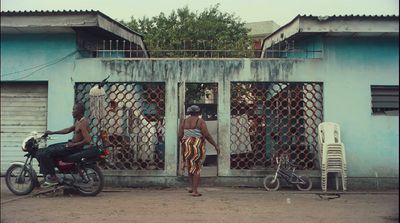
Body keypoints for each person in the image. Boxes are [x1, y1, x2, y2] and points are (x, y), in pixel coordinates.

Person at [37, 102, 92, 186]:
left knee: (46, 152)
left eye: (74, 109)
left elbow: (88, 140)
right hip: (71, 145)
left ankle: (53, 176)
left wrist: (74, 145)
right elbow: (68, 130)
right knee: (50, 147)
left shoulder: (83, 123)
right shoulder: (78, 121)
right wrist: (53, 132)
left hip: (74, 148)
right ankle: (55, 171)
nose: (72, 111)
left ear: (80, 111)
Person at [178, 105, 220, 197]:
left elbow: (180, 135)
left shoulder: (184, 121)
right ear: (198, 112)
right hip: (196, 145)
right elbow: (206, 134)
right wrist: (215, 145)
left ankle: (192, 187)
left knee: (190, 166)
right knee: (197, 167)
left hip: (186, 144)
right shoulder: (200, 121)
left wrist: (184, 144)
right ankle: (195, 191)